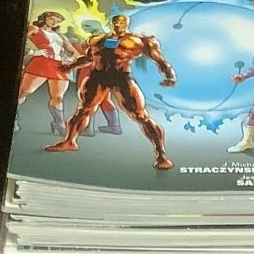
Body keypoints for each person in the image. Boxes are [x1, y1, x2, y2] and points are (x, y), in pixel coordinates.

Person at [44, 13, 176, 168]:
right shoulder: (99, 40)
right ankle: (69, 142)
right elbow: (88, 58)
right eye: (116, 22)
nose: (118, 24)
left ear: (127, 23)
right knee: (84, 110)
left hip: (121, 77)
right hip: (98, 76)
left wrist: (170, 75)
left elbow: (159, 60)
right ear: (111, 23)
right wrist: (69, 66)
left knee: (140, 115)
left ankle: (161, 154)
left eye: (121, 22)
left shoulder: (138, 41)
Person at [18, 11, 78, 135]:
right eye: (51, 19)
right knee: (24, 91)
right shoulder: (35, 29)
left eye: (58, 21)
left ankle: (59, 123)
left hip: (59, 66)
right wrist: (33, 52)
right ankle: (12, 119)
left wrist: (71, 59)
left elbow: (74, 52)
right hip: (41, 63)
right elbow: (20, 41)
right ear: (45, 18)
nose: (54, 22)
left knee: (58, 97)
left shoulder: (61, 36)